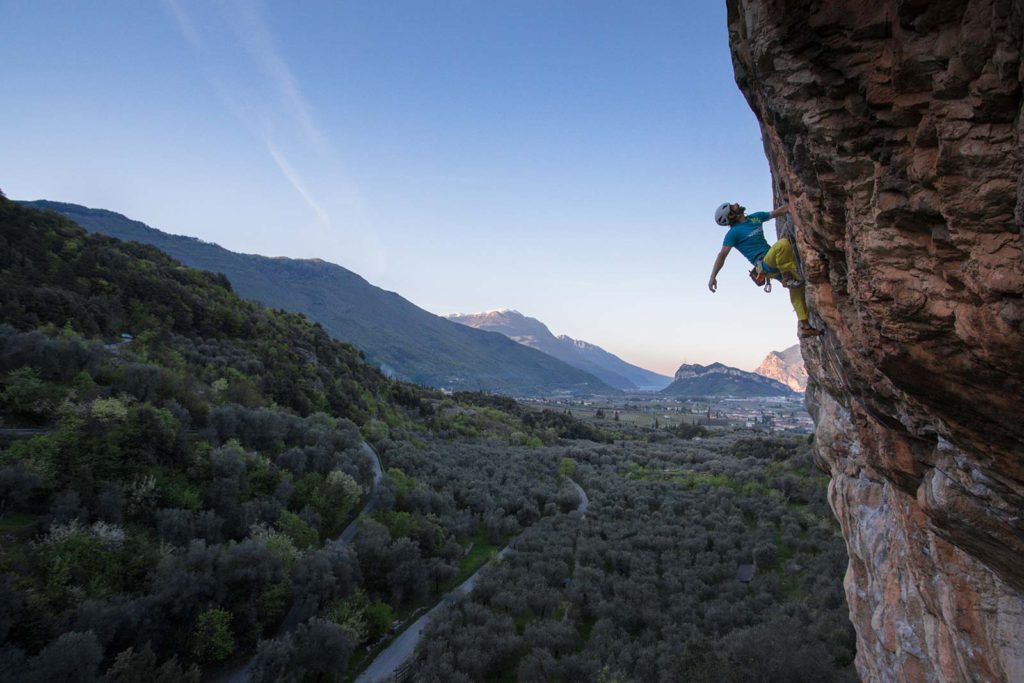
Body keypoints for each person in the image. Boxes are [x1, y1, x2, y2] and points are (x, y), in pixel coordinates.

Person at [707, 202, 823, 338]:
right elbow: (722, 255)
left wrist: (795, 202)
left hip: (773, 262)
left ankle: (805, 326)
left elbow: (777, 212)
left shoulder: (755, 218)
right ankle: (787, 278)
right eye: (732, 206)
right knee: (783, 244)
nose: (736, 204)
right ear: (731, 215)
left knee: (797, 288)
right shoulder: (733, 234)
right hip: (764, 265)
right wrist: (713, 276)